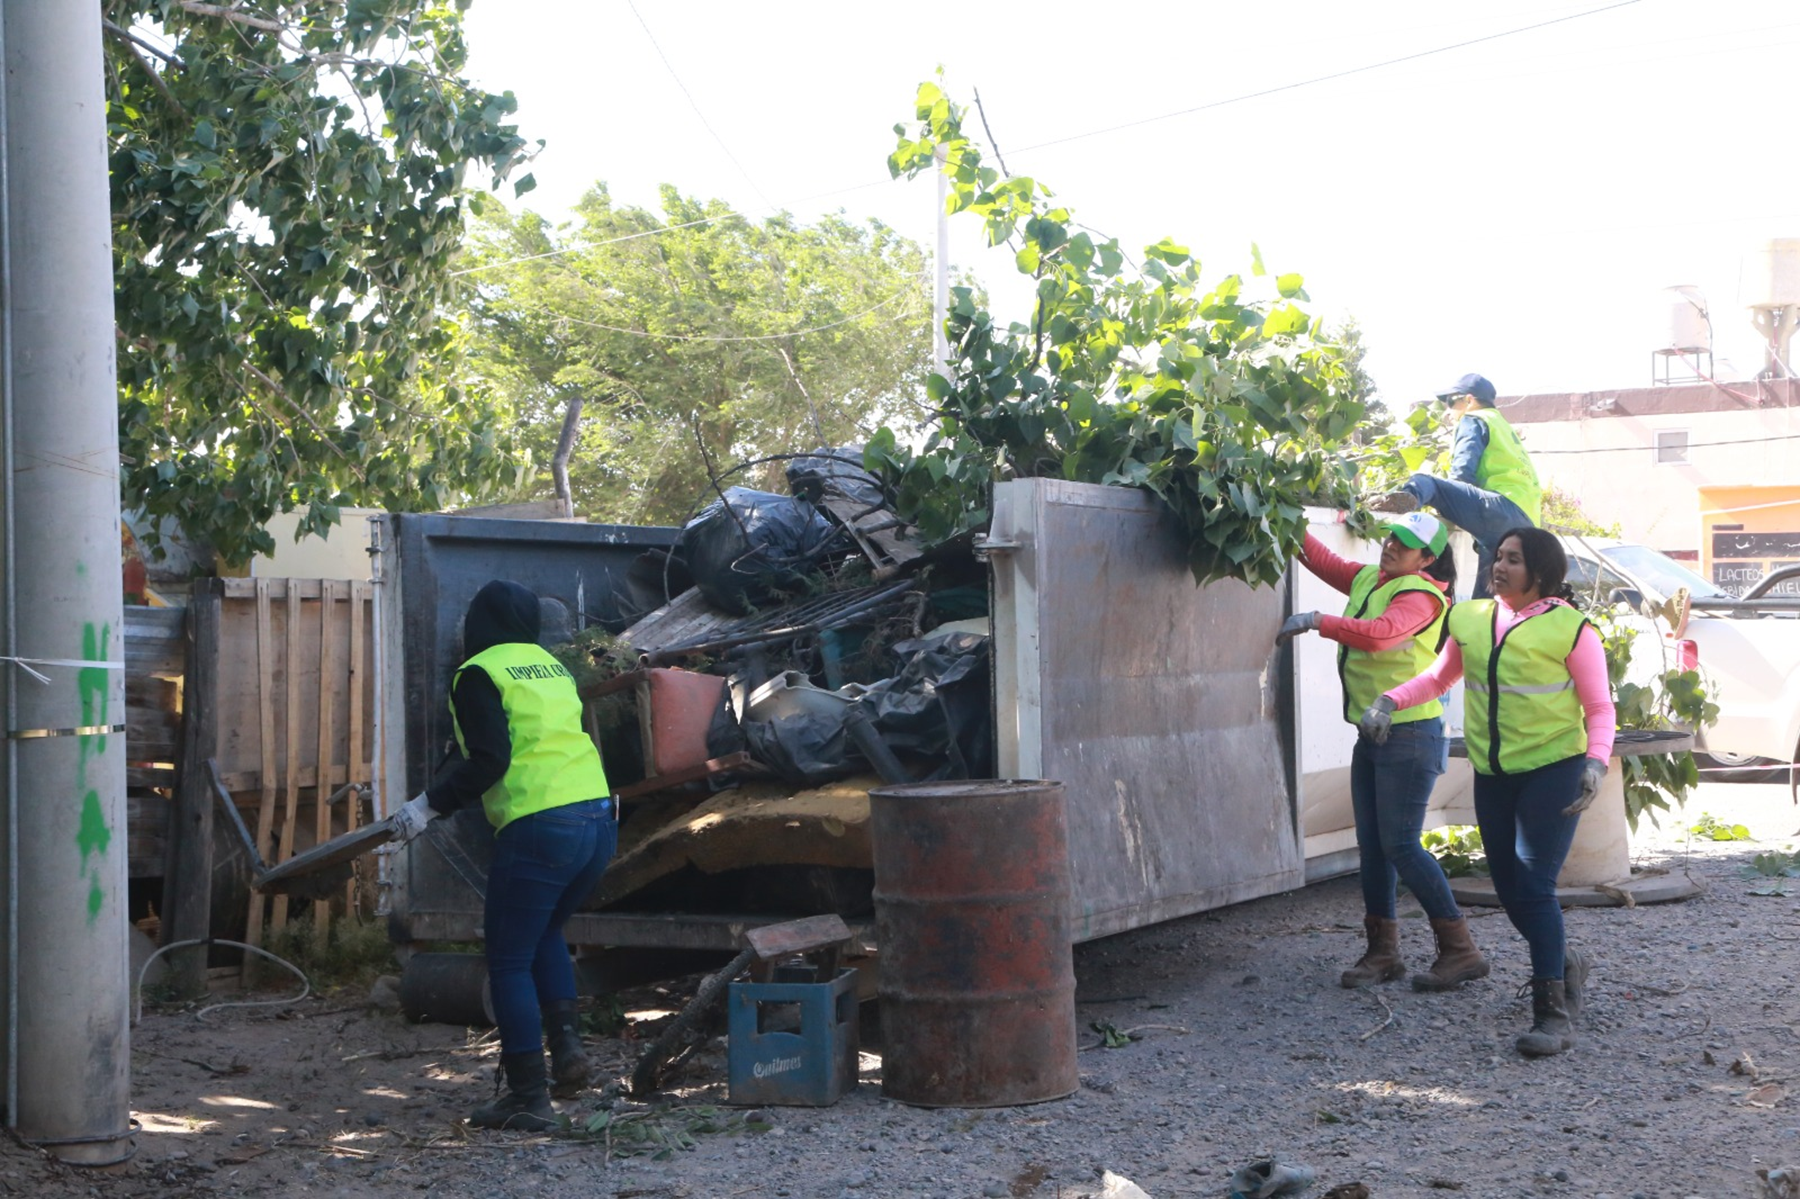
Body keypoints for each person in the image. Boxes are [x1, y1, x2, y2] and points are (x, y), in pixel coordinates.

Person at [1358, 527, 1615, 1059]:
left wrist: (1595, 763)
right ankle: (1565, 963)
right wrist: (1388, 699)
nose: (1499, 566)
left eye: (1513, 560)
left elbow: (1599, 709)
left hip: (1554, 770)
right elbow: (1435, 678)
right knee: (1510, 888)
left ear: (1540, 572)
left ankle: (1553, 1014)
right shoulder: (1471, 618)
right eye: (1498, 557)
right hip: (1495, 774)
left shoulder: (1572, 630)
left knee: (1534, 886)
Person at [391, 580, 616, 1128]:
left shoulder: (479, 674)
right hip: (597, 817)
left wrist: (427, 806)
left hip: (543, 825)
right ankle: (567, 1054)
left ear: (477, 623)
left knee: (509, 959)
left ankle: (526, 1097)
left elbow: (489, 760)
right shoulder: (550, 666)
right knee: (544, 936)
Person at [1278, 511, 1488, 993]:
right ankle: (1383, 953)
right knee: (1373, 847)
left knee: (1400, 845)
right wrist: (1287, 522)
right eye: (1392, 536)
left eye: (1406, 543)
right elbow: (1325, 561)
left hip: (1410, 734)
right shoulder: (1375, 578)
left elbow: (1381, 636)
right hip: (1374, 731)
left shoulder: (1421, 595)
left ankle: (1461, 950)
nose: (1391, 545)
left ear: (1427, 558)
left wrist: (1317, 621)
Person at [1373, 373, 1542, 600]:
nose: (1448, 410)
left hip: (1500, 507)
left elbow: (1461, 472)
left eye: (1451, 402)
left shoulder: (1474, 418)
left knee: (1427, 482)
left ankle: (1403, 502)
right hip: (1527, 522)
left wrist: (1451, 503)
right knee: (1487, 602)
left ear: (1469, 400)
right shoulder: (1503, 425)